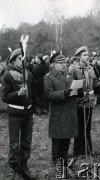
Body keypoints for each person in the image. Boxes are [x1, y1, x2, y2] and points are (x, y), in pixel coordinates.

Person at [1, 48, 36, 180]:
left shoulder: (29, 74)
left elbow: (33, 95)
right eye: (20, 58)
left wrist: (34, 112)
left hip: (28, 113)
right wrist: (18, 93)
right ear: (13, 60)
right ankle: (16, 169)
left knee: (27, 141)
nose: (23, 60)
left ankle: (24, 167)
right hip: (15, 114)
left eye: (23, 57)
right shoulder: (7, 76)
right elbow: (4, 97)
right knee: (15, 143)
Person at [73, 46, 100, 158]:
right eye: (84, 55)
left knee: (87, 127)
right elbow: (72, 87)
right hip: (79, 101)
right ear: (79, 57)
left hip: (89, 101)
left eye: (87, 55)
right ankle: (78, 151)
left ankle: (88, 149)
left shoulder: (91, 69)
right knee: (80, 127)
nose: (87, 57)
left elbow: (95, 84)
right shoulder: (74, 69)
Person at [44, 51, 78, 165]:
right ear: (53, 64)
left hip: (70, 109)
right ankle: (56, 158)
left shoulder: (69, 75)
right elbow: (49, 94)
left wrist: (79, 91)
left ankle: (64, 156)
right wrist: (65, 93)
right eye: (61, 63)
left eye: (65, 63)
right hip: (58, 111)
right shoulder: (49, 77)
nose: (64, 65)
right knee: (58, 136)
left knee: (67, 134)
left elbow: (74, 90)